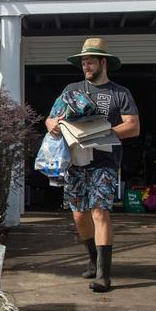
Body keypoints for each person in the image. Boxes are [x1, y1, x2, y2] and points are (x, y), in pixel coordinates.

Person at [45, 37, 139, 292]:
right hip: (75, 161)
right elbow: (50, 119)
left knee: (100, 212)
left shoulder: (120, 93)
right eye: (83, 62)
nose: (86, 66)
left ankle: (103, 275)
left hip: (104, 162)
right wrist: (52, 125)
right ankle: (92, 258)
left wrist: (102, 134)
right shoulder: (71, 89)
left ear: (103, 62)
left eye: (90, 61)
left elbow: (133, 126)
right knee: (79, 215)